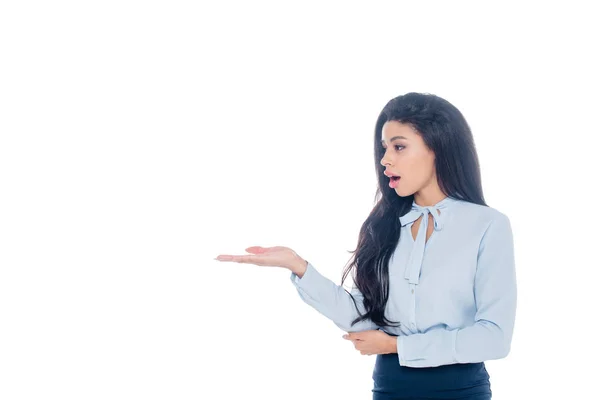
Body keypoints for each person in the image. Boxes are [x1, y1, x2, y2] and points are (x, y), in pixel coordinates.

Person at [215, 92, 517, 400]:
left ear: (437, 147)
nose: (385, 159)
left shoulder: (487, 225)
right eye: (385, 148)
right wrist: (299, 267)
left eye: (399, 146)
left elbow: (494, 338)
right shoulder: (383, 224)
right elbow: (361, 317)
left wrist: (396, 346)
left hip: (460, 390)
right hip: (390, 387)